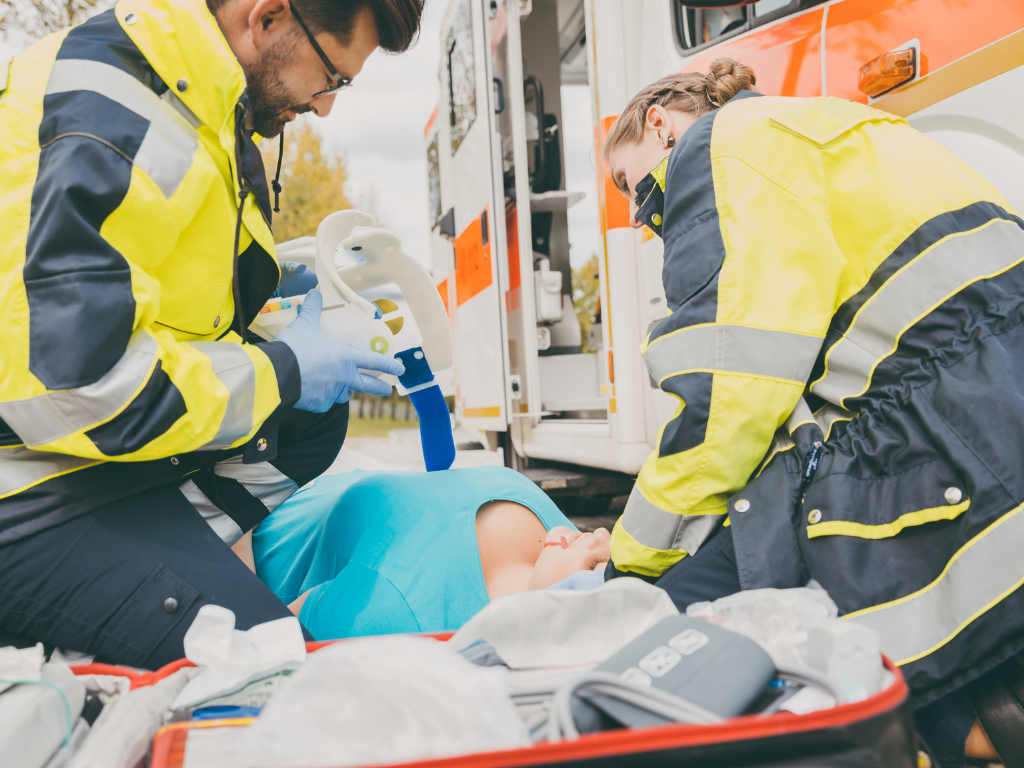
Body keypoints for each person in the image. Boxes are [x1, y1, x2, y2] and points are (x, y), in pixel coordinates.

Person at [601, 58, 1024, 766]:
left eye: (634, 188)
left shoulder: (717, 148)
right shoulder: (813, 123)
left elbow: (727, 395)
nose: (646, 217)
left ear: (660, 126)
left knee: (755, 572)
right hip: (987, 386)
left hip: (945, 413)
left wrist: (632, 569)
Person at [0, 0, 422, 669]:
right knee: (267, 665)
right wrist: (283, 368)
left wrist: (271, 290)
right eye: (332, 78)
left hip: (90, 458)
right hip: (27, 483)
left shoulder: (207, 111)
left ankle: (168, 566)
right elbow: (73, 385)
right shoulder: (111, 111)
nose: (326, 107)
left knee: (313, 420)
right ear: (268, 17)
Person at [242, 466, 610, 638]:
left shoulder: (396, 614)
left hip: (250, 515)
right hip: (302, 477)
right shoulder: (549, 534)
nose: (601, 536)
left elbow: (273, 635)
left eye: (596, 566)